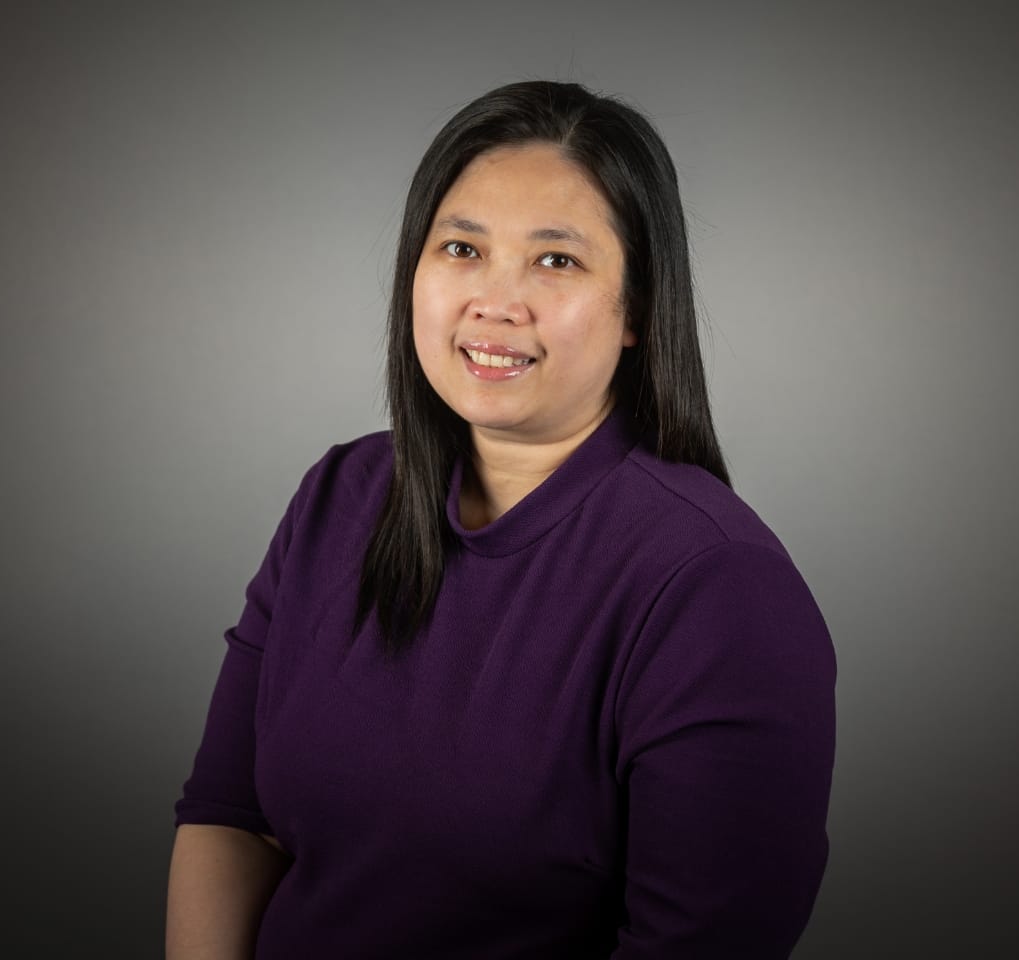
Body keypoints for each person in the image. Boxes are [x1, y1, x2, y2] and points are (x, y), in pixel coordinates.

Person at [166, 80, 836, 959]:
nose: (496, 301)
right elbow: (234, 820)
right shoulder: (342, 495)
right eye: (461, 248)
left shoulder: (717, 585)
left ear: (636, 307)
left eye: (555, 261)